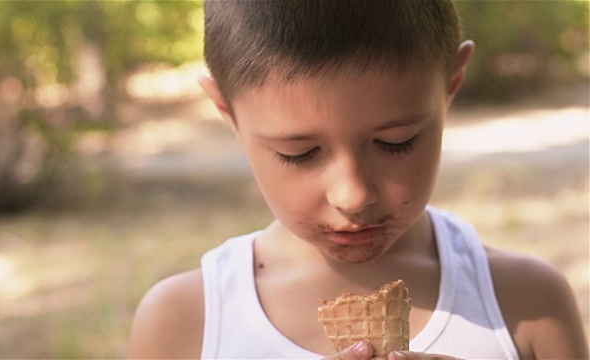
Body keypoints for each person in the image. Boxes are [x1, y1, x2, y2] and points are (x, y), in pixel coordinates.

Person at [128, 1, 589, 359]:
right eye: (300, 153)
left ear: (451, 83)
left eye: (396, 142)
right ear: (226, 109)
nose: (353, 196)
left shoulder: (529, 306)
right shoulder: (185, 322)